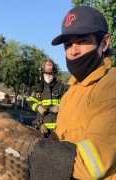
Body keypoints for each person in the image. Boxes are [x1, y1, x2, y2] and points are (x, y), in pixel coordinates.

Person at [28, 6, 116, 180]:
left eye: (82, 41)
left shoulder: (110, 85)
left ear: (104, 43)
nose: (73, 51)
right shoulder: (72, 90)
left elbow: (93, 165)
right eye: (68, 44)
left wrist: (28, 151)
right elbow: (60, 143)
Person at [27, 59, 68, 138]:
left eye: (50, 73)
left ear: (54, 73)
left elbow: (70, 103)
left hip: (59, 129)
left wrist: (60, 107)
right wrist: (38, 107)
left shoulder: (61, 88)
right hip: (42, 129)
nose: (48, 75)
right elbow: (30, 102)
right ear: (42, 74)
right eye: (46, 73)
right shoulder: (38, 89)